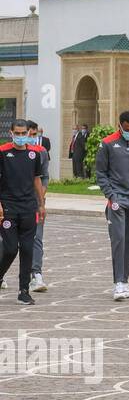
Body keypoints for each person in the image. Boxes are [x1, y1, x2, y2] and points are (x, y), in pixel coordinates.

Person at [95, 110, 129, 301]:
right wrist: (111, 195)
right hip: (117, 199)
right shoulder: (108, 143)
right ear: (120, 126)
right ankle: (118, 283)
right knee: (119, 240)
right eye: (127, 129)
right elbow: (100, 173)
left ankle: (125, 281)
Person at [0, 119, 48, 305]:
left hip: (28, 207)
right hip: (8, 207)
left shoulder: (34, 154)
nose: (20, 137)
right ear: (11, 133)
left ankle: (24, 291)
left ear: (29, 133)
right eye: (17, 134)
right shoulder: (3, 152)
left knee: (27, 249)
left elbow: (37, 179)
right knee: (11, 248)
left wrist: (41, 204)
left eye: (24, 133)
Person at [26, 120, 50, 292]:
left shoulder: (41, 152)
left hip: (35, 203)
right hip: (13, 202)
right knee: (8, 242)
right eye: (29, 134)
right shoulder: (6, 152)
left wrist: (41, 200)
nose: (32, 138)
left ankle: (36, 274)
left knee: (36, 238)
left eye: (35, 135)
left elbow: (44, 177)